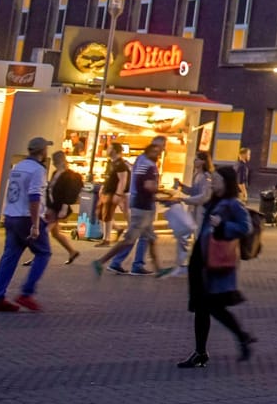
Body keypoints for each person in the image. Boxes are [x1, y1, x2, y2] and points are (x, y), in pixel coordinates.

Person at [177, 166, 255, 368]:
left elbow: (246, 227)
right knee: (203, 308)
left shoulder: (233, 204)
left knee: (212, 306)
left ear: (227, 183)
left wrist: (222, 225)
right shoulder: (215, 201)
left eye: (217, 180)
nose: (213, 182)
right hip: (201, 260)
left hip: (216, 263)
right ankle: (201, 352)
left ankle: (240, 336)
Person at [0, 136, 54, 312]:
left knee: (9, 257)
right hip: (26, 217)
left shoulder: (18, 167)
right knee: (43, 252)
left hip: (11, 215)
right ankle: (26, 293)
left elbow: (14, 191)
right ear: (42, 151)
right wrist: (35, 224)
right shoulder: (37, 170)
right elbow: (34, 196)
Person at [94, 136, 171, 277]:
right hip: (142, 206)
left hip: (143, 204)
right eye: (160, 147)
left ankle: (155, 269)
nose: (162, 150)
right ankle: (104, 261)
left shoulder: (143, 160)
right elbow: (146, 185)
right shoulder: (148, 164)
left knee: (150, 238)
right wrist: (163, 192)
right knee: (130, 239)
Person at [47, 151, 84, 265]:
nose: (53, 162)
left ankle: (40, 254)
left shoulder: (69, 175)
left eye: (55, 160)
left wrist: (64, 207)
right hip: (52, 204)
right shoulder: (55, 173)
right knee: (55, 233)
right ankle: (72, 251)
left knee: (45, 230)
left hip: (58, 206)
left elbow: (68, 193)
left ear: (61, 161)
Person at [96, 142, 128, 243]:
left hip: (112, 192)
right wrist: (102, 187)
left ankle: (106, 239)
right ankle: (118, 229)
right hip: (106, 190)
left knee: (107, 214)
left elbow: (123, 179)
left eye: (109, 148)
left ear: (114, 150)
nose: (107, 150)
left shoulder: (120, 164)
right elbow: (108, 177)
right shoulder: (111, 162)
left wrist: (118, 194)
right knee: (99, 214)